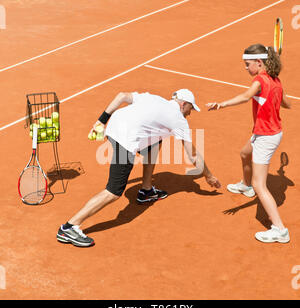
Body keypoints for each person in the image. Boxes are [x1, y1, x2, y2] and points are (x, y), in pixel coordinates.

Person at [57, 89, 221, 247]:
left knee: (156, 140)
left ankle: (146, 190)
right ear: (183, 104)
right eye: (190, 108)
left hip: (115, 125)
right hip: (125, 140)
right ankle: (70, 227)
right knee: (113, 192)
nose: (190, 113)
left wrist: (101, 120)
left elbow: (121, 96)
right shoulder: (178, 119)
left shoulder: (154, 98)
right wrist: (209, 175)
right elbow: (192, 155)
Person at [206, 44, 291, 243]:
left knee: (260, 184)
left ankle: (280, 229)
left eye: (247, 64)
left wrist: (222, 104)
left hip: (265, 137)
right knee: (245, 153)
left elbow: (245, 96)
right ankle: (245, 186)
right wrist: (273, 96)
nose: (245, 68)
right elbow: (287, 104)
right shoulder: (275, 81)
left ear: (259, 63)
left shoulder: (260, 80)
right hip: (269, 132)